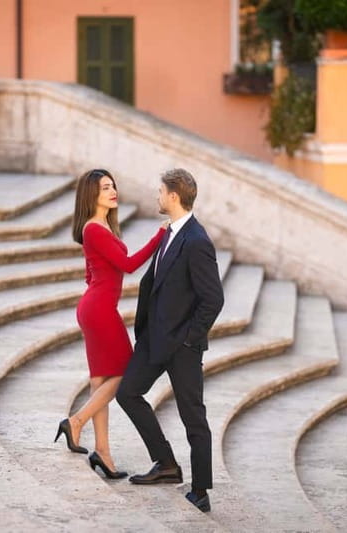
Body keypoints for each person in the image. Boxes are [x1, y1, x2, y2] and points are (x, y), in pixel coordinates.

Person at [116, 168, 224, 512]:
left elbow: (213, 298)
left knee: (193, 417)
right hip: (155, 339)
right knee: (127, 393)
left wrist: (191, 339)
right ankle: (166, 464)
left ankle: (201, 490)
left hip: (181, 346)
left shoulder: (197, 241)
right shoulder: (171, 232)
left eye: (161, 191)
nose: (158, 196)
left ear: (174, 197)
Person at [55, 168, 167, 480]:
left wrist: (98, 291)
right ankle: (75, 422)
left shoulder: (101, 226)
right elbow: (129, 265)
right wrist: (160, 235)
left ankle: (103, 452)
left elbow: (90, 273)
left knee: (99, 380)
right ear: (92, 194)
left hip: (96, 306)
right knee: (125, 373)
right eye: (105, 188)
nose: (112, 191)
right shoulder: (94, 229)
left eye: (113, 186)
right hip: (100, 310)